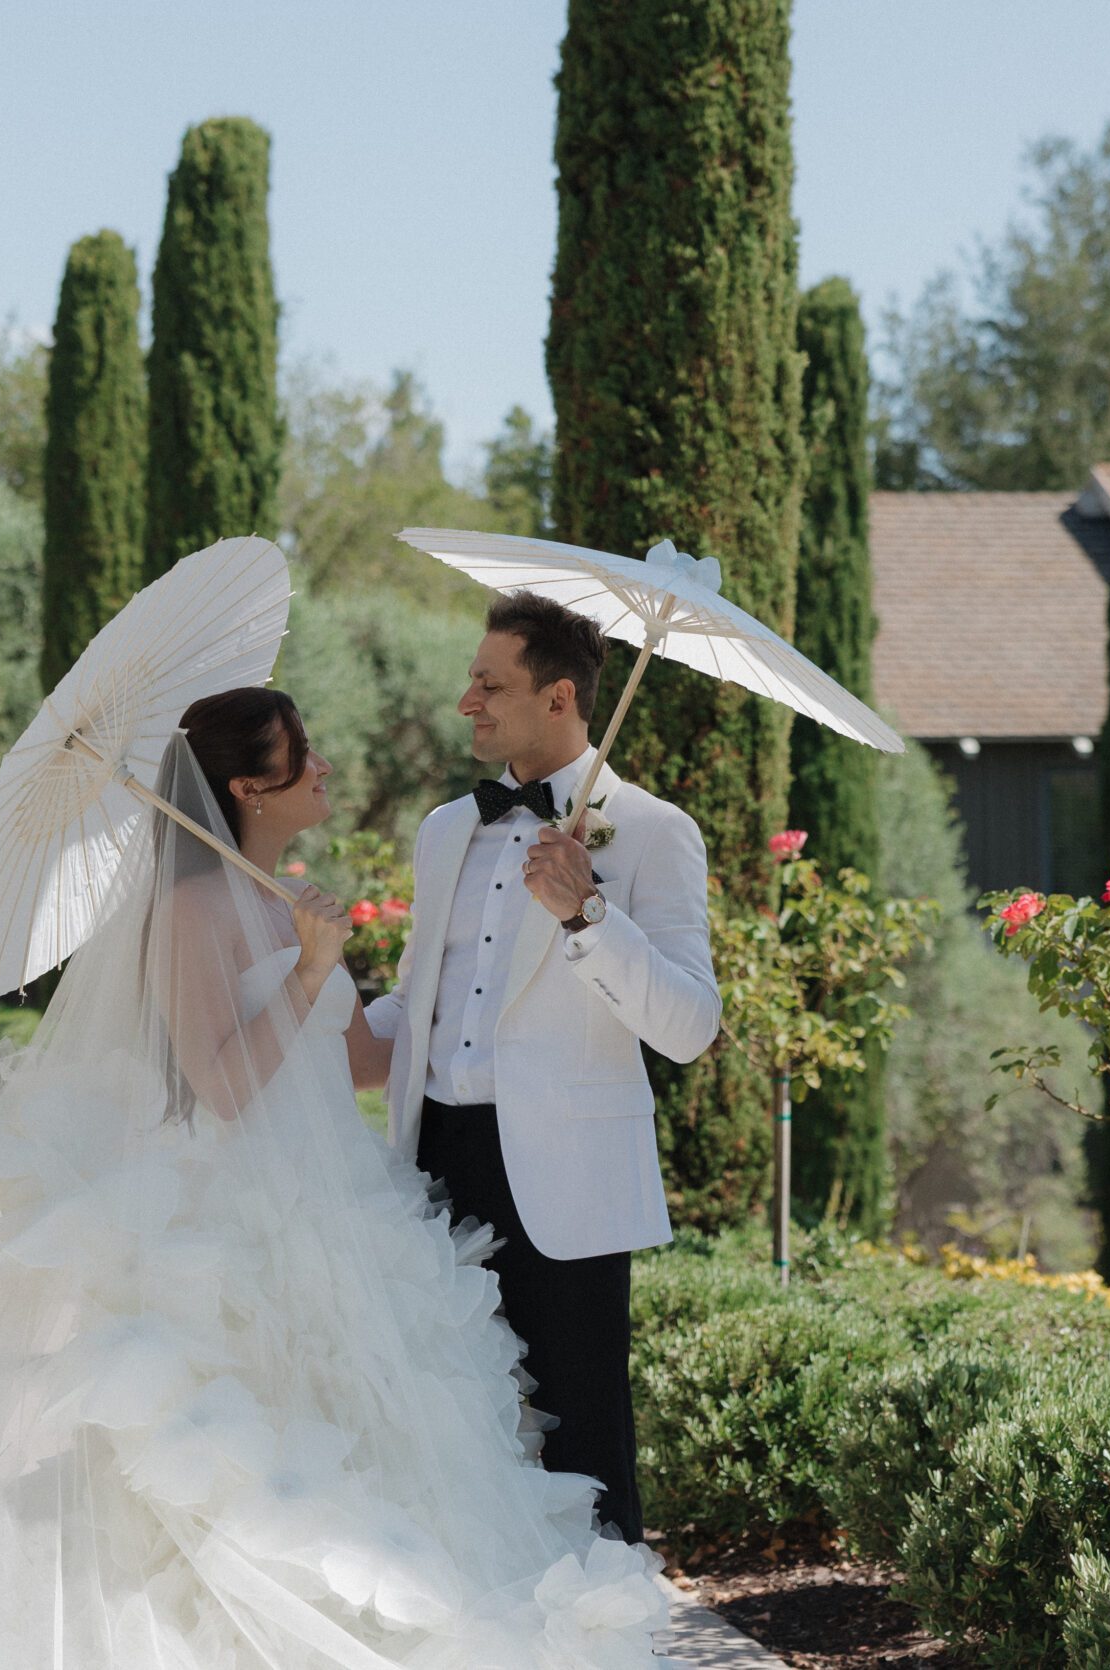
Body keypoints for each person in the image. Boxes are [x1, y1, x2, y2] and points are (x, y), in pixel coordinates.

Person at [0, 687, 670, 1669]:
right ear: (251, 785)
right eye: (307, 756)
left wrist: (499, 992)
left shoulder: (276, 890)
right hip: (253, 1229)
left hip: (345, 1211)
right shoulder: (191, 907)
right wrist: (306, 969)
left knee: (384, 1443)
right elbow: (219, 1085)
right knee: (250, 1459)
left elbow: (354, 1061)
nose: (327, 768)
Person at [361, 593, 720, 1546]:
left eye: (490, 683)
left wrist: (588, 916)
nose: (465, 700)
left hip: (564, 1188)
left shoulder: (651, 832)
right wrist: (306, 999)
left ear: (559, 695)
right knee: (448, 1425)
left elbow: (689, 1026)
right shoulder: (443, 830)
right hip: (434, 1163)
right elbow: (419, 1006)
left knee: (582, 1447)